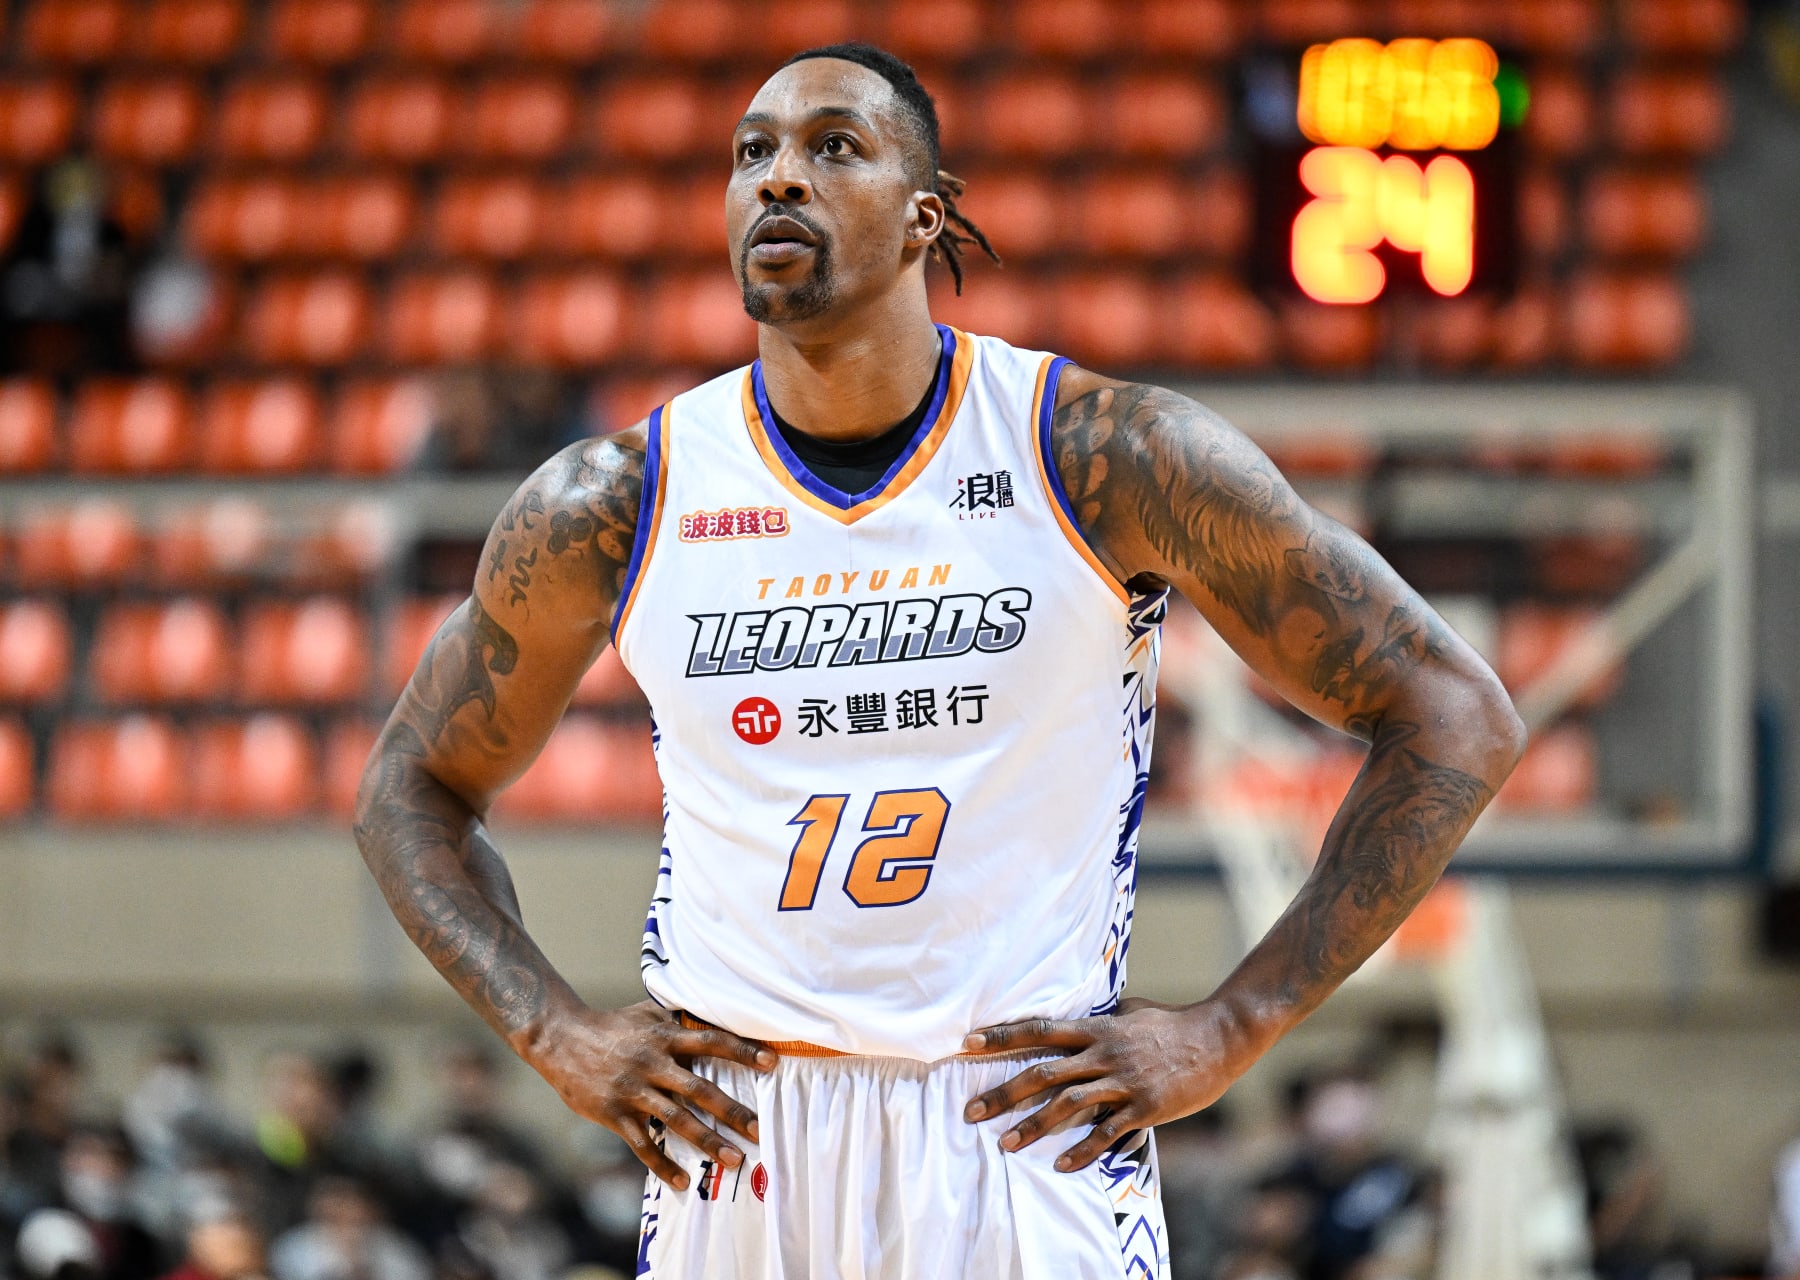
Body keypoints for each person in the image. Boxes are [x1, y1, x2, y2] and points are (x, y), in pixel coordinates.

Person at [354, 41, 1525, 1279]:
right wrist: (554, 1030)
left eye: (832, 147)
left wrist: (1235, 1022)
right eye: (753, 152)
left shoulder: (1103, 455)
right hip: (738, 1135)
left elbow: (1453, 711)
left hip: (1021, 1124)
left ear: (927, 217)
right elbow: (405, 788)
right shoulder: (616, 497)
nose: (779, 179)